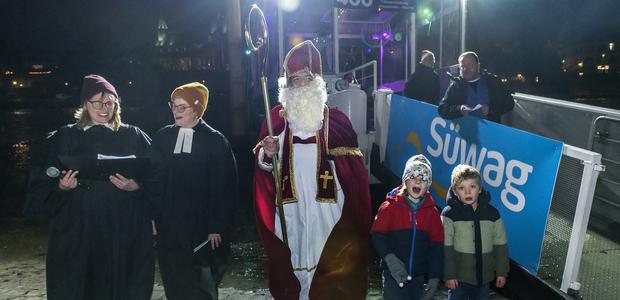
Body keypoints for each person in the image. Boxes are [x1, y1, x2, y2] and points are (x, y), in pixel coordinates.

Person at [253, 40, 372, 300]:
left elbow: (353, 173)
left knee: (328, 258)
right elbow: (263, 165)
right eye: (294, 80)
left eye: (306, 77)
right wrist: (268, 152)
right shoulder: (276, 120)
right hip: (290, 207)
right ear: (288, 83)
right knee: (294, 256)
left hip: (327, 207)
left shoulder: (336, 119)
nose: (301, 84)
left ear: (317, 80)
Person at [24, 74, 154, 300]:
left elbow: (158, 177)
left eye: (110, 103)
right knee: (77, 285)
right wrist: (62, 187)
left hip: (121, 228)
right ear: (85, 104)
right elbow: (40, 184)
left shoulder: (133, 135)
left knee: (120, 285)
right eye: (98, 103)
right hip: (77, 228)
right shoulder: (64, 137)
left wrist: (136, 187)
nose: (104, 109)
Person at [149, 82, 237, 300]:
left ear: (198, 108)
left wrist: (216, 226)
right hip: (169, 227)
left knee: (201, 286)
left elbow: (225, 187)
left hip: (202, 229)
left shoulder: (215, 141)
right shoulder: (162, 137)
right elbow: (153, 180)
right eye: (173, 106)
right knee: (174, 282)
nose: (176, 112)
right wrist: (151, 215)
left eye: (182, 107)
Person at [371, 154, 444, 300]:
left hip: (418, 278)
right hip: (393, 274)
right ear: (405, 179)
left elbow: (437, 247)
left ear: (428, 184)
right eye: (413, 175)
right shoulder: (389, 207)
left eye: (423, 178)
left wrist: (434, 277)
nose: (418, 180)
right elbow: (377, 235)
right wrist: (390, 260)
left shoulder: (432, 213)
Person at [442, 164, 509, 300]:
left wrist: (502, 272)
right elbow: (445, 248)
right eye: (461, 188)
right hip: (458, 278)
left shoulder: (492, 213)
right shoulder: (449, 215)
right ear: (455, 191)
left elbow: (500, 245)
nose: (467, 192)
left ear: (479, 189)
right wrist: (449, 274)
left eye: (472, 187)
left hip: (483, 278)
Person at [438, 51, 514, 123]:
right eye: (462, 66)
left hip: (491, 131)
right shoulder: (456, 85)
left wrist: (491, 109)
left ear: (478, 66)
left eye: (469, 65)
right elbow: (442, 109)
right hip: (466, 132)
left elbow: (509, 103)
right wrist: (459, 109)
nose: (465, 69)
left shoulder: (492, 81)